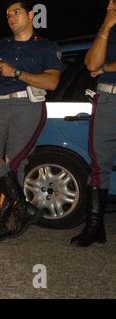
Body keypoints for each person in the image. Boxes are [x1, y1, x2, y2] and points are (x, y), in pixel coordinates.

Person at [0, 0, 61, 241]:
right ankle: (23, 208)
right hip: (1, 102)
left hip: (28, 104)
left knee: (15, 162)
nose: (11, 17)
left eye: (16, 12)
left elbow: (52, 82)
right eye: (7, 14)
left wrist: (14, 72)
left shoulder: (46, 46)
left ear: (32, 15)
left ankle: (3, 219)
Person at [70, 0, 116, 247]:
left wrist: (107, 67)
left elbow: (101, 67)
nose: (110, 3)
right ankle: (94, 227)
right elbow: (91, 65)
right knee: (99, 165)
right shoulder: (108, 26)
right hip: (107, 98)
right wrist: (106, 26)